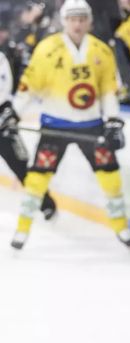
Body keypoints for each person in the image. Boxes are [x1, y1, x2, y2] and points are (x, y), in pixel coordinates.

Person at [7, 0, 130, 250]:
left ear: (89, 21)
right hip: (55, 126)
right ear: (64, 21)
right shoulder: (46, 49)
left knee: (111, 177)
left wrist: (113, 121)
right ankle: (22, 229)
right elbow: (29, 87)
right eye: (72, 19)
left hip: (92, 126)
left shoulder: (101, 51)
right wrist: (15, 114)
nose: (77, 23)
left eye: (82, 18)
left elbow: (108, 91)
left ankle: (121, 227)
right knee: (36, 180)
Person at [0, 18, 56, 221]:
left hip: (3, 119)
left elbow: (3, 90)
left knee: (21, 165)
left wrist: (8, 115)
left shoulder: (1, 59)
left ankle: (46, 203)